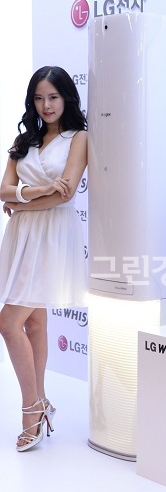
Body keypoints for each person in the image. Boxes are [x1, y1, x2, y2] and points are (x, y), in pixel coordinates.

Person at [0, 66, 87, 452]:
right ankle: (42, 401)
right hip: (22, 235)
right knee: (33, 323)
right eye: (38, 98)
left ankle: (31, 411)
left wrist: (21, 202)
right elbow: (3, 189)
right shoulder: (24, 140)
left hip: (51, 236)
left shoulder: (78, 138)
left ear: (66, 97)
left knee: (8, 323)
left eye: (52, 96)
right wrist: (34, 192)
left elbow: (64, 195)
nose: (46, 105)